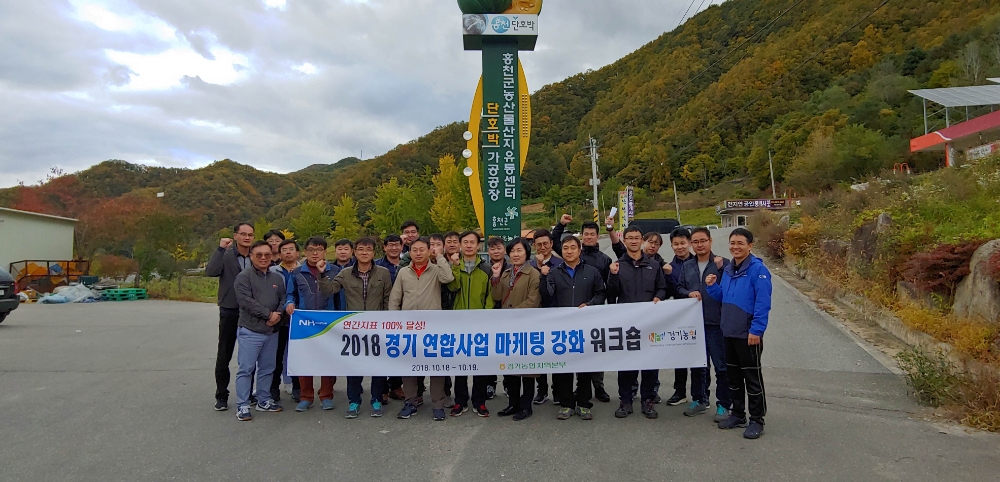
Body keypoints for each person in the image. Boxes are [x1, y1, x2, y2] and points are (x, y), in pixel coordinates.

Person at [705, 228, 772, 440]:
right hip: (729, 332)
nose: (735, 247)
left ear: (750, 245)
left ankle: (756, 420)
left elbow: (763, 303)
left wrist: (757, 330)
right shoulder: (728, 269)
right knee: (733, 378)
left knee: (752, 379)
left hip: (748, 334)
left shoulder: (758, 270)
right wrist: (712, 286)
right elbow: (723, 296)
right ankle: (738, 414)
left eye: (740, 243)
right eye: (732, 243)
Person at [318, 237, 393, 418]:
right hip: (354, 327)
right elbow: (329, 289)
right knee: (354, 365)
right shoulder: (345, 273)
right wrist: (321, 274)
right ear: (354, 252)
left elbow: (387, 299)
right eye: (360, 249)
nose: (364, 252)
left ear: (374, 253)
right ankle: (354, 401)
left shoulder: (383, 273)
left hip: (378, 326)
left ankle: (376, 399)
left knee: (378, 365)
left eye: (368, 249)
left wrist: (387, 323)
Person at [389, 237, 456, 421]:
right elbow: (395, 299)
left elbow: (448, 278)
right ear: (409, 252)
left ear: (429, 251)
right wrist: (395, 322)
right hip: (409, 327)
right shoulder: (403, 272)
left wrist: (440, 257)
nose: (418, 253)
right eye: (414, 250)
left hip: (433, 327)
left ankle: (438, 405)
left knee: (436, 367)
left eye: (422, 250)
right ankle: (411, 402)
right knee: (409, 368)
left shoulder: (436, 270)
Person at [541, 236, 606, 420]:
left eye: (572, 247)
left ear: (579, 250)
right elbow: (547, 298)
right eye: (565, 248)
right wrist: (544, 277)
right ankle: (566, 404)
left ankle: (584, 404)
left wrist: (591, 304)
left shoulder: (591, 272)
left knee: (585, 367)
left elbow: (601, 293)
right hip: (561, 328)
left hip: (585, 327)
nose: (569, 251)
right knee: (564, 367)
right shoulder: (554, 273)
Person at [607, 226, 669, 420]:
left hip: (650, 323)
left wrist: (659, 297)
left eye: (636, 238)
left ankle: (648, 400)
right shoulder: (617, 265)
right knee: (626, 363)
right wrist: (613, 276)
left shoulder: (654, 265)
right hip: (627, 323)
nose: (633, 241)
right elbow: (611, 295)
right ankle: (625, 400)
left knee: (650, 363)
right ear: (623, 240)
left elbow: (662, 288)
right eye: (629, 238)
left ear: (642, 240)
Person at [677, 227, 732, 421]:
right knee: (699, 365)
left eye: (703, 241)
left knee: (721, 366)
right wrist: (688, 293)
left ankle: (724, 404)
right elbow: (680, 287)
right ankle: (700, 399)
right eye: (696, 242)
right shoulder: (687, 266)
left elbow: (729, 291)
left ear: (710, 241)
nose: (699, 245)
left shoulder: (723, 264)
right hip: (694, 323)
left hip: (716, 323)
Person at [233, 241, 287, 421]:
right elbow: (246, 301)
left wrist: (278, 314)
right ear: (251, 256)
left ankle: (264, 399)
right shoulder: (243, 277)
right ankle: (242, 405)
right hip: (251, 330)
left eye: (267, 254)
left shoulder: (277, 278)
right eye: (259, 255)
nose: (263, 258)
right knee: (246, 369)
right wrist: (268, 315)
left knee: (267, 368)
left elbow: (283, 298)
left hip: (272, 332)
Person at [287, 237, 342, 412]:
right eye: (311, 249)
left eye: (319, 249)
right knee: (305, 360)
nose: (315, 252)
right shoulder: (296, 273)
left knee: (327, 359)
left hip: (329, 322)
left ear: (325, 251)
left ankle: (326, 395)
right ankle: (306, 396)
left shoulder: (335, 271)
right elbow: (290, 294)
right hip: (304, 322)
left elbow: (340, 297)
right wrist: (288, 303)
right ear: (305, 252)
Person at [491, 237, 542, 421]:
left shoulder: (533, 274)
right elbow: (497, 296)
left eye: (519, 250)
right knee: (510, 367)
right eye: (512, 251)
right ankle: (512, 403)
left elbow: (533, 301)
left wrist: (511, 314)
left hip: (527, 326)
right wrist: (495, 277)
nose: (515, 254)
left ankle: (526, 406)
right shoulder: (505, 273)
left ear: (526, 253)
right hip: (508, 327)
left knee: (527, 368)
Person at [206, 222, 255, 411]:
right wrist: (219, 249)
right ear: (235, 236)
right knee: (224, 354)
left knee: (250, 355)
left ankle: (248, 393)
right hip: (230, 309)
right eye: (243, 234)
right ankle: (221, 395)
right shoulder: (226, 255)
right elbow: (211, 271)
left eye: (250, 234)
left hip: (252, 311)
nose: (247, 238)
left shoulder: (256, 256)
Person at [447, 231, 494, 418]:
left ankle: (479, 402)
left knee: (479, 365)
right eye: (465, 242)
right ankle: (460, 401)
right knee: (460, 365)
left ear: (478, 246)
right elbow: (453, 287)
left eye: (472, 242)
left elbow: (490, 296)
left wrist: (486, 316)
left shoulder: (486, 269)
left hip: (480, 323)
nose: (468, 245)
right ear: (459, 245)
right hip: (458, 322)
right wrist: (456, 267)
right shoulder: (453, 267)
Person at [529, 228, 563, 406]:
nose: (542, 247)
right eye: (538, 244)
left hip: (555, 314)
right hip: (534, 315)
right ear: (534, 245)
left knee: (556, 354)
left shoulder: (560, 263)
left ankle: (558, 392)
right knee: (538, 355)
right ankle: (541, 390)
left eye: (545, 244)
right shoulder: (529, 264)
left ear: (551, 244)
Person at [664, 227, 696, 407]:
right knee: (680, 356)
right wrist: (667, 276)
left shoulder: (699, 261)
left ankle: (701, 394)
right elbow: (669, 292)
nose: (680, 247)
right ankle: (680, 391)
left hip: (699, 315)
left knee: (700, 357)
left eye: (683, 243)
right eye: (675, 244)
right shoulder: (669, 267)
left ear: (689, 243)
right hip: (680, 317)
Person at [269, 239, 301, 403]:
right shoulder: (272, 271)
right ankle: (273, 389)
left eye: (291, 249)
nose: (288, 252)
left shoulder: (304, 270)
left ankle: (298, 387)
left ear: (298, 253)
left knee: (297, 356)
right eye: (284, 250)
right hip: (279, 319)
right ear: (279, 253)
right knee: (277, 355)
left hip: (300, 320)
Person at [480, 236, 510, 399]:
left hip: (507, 313)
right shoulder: (484, 267)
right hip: (489, 314)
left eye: (499, 248)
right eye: (492, 248)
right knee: (490, 351)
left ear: (504, 249)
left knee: (505, 351)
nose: (496, 251)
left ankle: (507, 383)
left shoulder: (511, 267)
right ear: (488, 251)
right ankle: (490, 384)